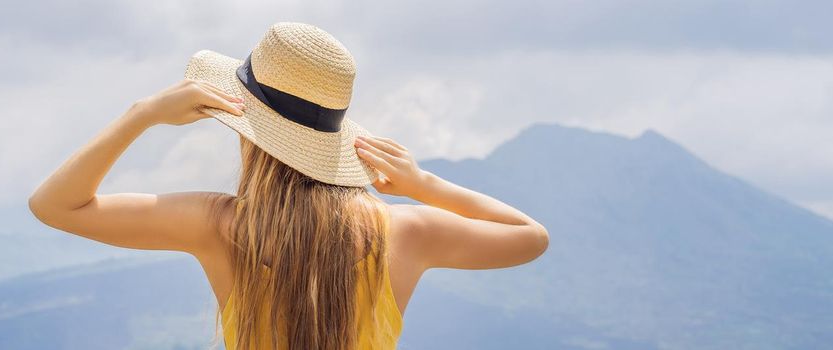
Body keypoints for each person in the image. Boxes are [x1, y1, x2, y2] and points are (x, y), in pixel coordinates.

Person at [28, 22, 549, 350]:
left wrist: (140, 116)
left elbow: (54, 205)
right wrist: (423, 184)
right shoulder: (405, 232)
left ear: (249, 134)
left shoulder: (218, 226)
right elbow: (530, 236)